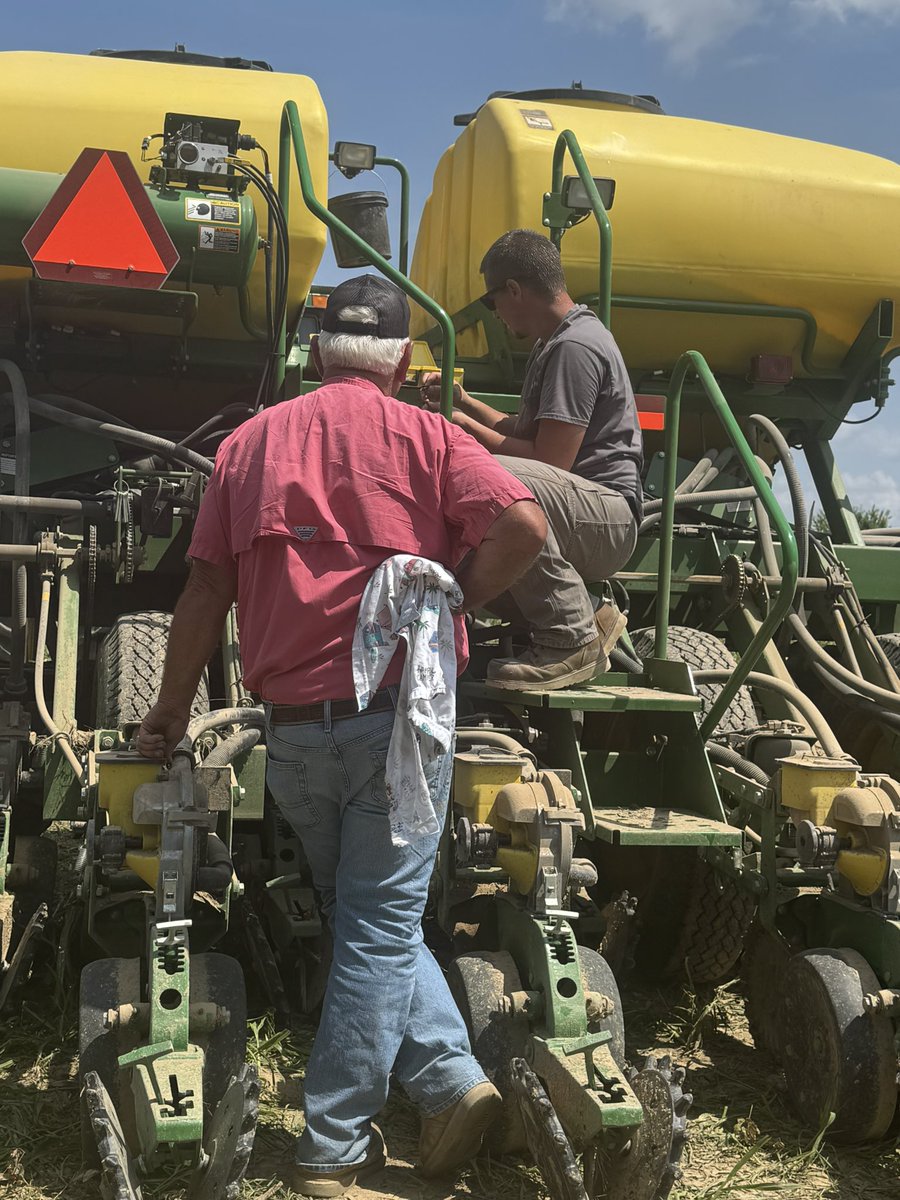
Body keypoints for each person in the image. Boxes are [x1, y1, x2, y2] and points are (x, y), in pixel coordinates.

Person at [136, 274, 547, 1198]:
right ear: (403, 360)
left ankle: (448, 1084)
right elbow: (525, 522)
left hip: (293, 741)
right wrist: (452, 596)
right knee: (380, 924)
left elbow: (202, 593)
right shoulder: (428, 434)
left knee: (367, 915)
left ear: (317, 355)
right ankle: (333, 1145)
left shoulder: (247, 446)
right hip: (397, 732)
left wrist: (168, 710)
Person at [422, 229, 643, 691]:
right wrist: (463, 402)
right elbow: (522, 434)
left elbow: (551, 461)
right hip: (579, 508)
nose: (496, 314)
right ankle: (580, 617)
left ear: (515, 290)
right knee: (477, 510)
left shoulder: (575, 347)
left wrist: (464, 432)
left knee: (496, 483)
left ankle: (569, 638)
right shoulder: (554, 343)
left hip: (608, 516)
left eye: (492, 302)